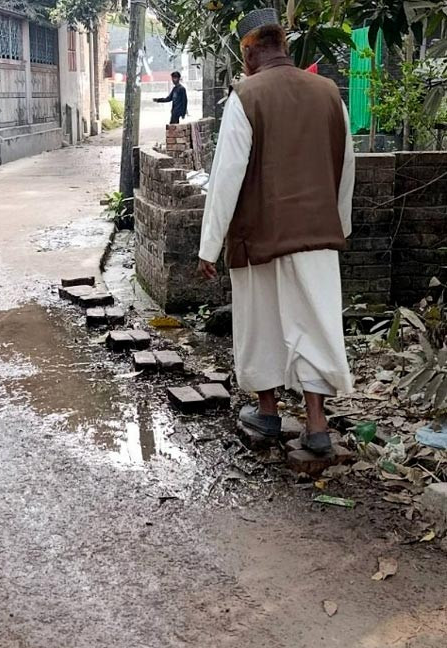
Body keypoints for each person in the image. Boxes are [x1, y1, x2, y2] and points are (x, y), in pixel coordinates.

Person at [196, 8, 355, 455]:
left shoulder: (245, 97)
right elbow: (345, 168)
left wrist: (209, 246)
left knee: (262, 324)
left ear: (248, 52)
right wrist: (336, 225)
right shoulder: (329, 94)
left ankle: (268, 415)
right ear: (283, 45)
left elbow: (226, 177)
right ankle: (317, 424)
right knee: (316, 324)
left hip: (259, 236)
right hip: (317, 237)